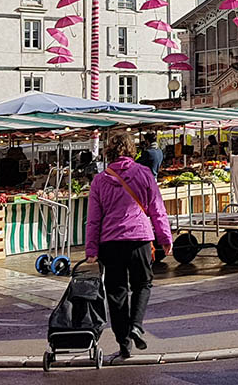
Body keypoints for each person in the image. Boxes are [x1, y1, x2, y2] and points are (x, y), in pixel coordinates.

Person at [85, 131, 172, 360]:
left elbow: (93, 219)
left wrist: (91, 250)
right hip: (140, 239)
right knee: (143, 284)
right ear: (132, 150)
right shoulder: (144, 174)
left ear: (109, 152)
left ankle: (124, 343)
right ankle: (136, 325)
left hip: (111, 242)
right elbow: (157, 208)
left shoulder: (100, 180)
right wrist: (165, 238)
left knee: (116, 293)